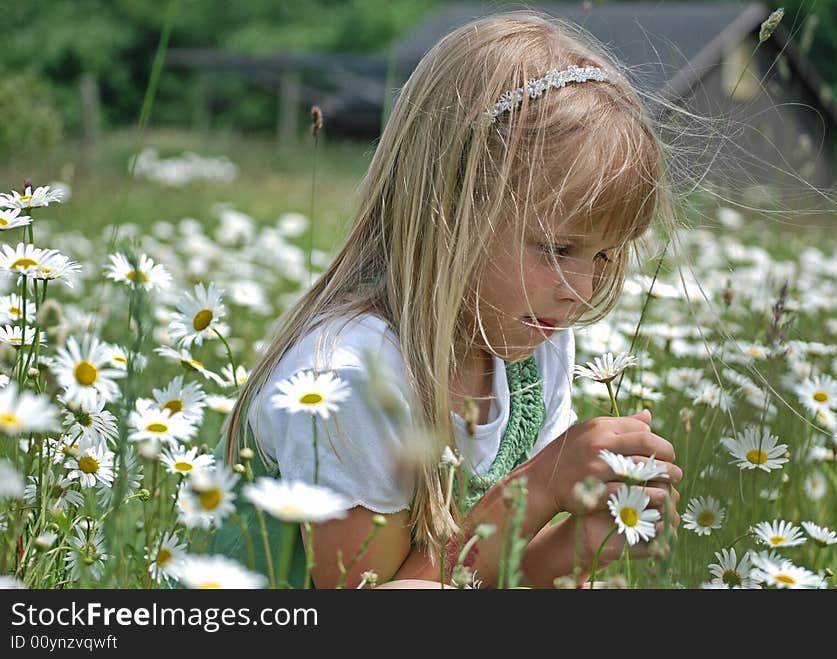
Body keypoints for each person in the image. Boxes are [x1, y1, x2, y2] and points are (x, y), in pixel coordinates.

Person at [209, 10, 683, 589]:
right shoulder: (350, 376)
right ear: (451, 208)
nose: (580, 291)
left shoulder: (533, 346)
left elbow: (492, 578)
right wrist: (538, 486)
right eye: (558, 248)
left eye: (604, 256)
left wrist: (583, 546)